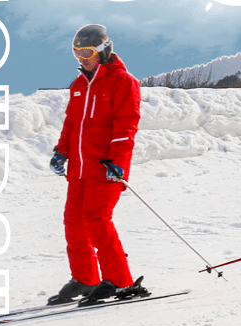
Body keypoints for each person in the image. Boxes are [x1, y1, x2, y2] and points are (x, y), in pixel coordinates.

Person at [48, 24, 147, 305]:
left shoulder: (122, 81)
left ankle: (119, 280)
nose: (82, 57)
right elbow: (71, 125)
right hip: (79, 170)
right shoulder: (79, 85)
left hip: (105, 168)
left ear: (103, 50)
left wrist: (118, 163)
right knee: (74, 223)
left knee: (96, 220)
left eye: (87, 51)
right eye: (77, 52)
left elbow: (126, 126)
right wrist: (61, 151)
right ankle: (86, 278)